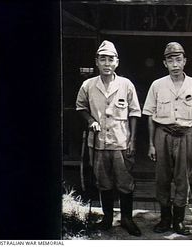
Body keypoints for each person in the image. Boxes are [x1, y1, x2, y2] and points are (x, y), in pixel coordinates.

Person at [142, 42, 192, 235]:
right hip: (162, 135)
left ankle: (178, 221)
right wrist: (151, 144)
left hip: (186, 135)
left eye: (178, 60)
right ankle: (165, 219)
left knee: (182, 178)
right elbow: (149, 115)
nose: (175, 64)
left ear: (185, 61)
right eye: (170, 60)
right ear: (165, 63)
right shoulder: (157, 85)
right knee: (162, 178)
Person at [76, 40, 142, 236]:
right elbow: (81, 108)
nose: (106, 63)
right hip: (97, 143)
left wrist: (132, 140)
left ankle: (127, 219)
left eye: (110, 59)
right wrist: (89, 120)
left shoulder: (126, 84)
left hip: (121, 142)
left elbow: (135, 113)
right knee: (103, 181)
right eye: (102, 59)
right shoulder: (88, 85)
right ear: (96, 62)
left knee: (125, 182)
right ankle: (106, 219)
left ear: (117, 62)